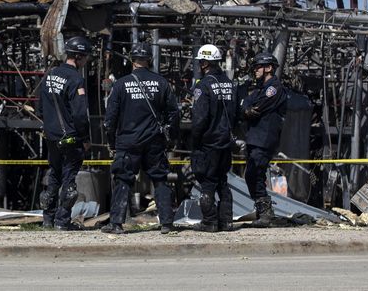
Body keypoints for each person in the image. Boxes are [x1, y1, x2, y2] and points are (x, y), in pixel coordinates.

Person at [101, 43, 179, 235]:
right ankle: (167, 223)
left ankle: (117, 223)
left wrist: (111, 142)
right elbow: (174, 114)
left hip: (129, 141)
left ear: (132, 60)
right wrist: (171, 138)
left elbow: (110, 119)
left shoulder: (120, 84)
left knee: (123, 180)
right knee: (160, 179)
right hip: (154, 140)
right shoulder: (161, 83)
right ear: (149, 60)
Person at [37, 35, 93, 231]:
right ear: (78, 57)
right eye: (85, 57)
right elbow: (80, 114)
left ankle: (47, 219)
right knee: (69, 181)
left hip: (51, 136)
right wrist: (85, 138)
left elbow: (40, 108)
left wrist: (49, 125)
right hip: (70, 137)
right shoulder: (76, 79)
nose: (86, 60)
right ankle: (62, 221)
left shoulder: (50, 75)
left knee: (53, 176)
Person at [190, 44, 236, 232]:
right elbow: (236, 113)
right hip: (226, 141)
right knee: (222, 181)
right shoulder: (229, 83)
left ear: (204, 63)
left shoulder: (203, 86)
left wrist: (194, 141)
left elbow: (200, 118)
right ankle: (226, 221)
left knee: (208, 182)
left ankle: (209, 221)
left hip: (209, 142)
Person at [240, 52, 288, 228]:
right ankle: (263, 211)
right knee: (251, 175)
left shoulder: (273, 88)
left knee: (255, 174)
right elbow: (245, 104)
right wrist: (246, 109)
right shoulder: (260, 89)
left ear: (268, 68)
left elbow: (257, 107)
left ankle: (266, 213)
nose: (255, 71)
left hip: (264, 138)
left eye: (258, 67)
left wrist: (247, 109)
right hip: (255, 138)